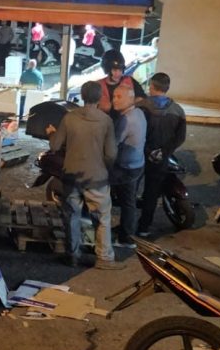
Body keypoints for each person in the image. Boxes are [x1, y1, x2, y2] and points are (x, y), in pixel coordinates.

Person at [48, 81, 122, 269]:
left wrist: (51, 134)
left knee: (72, 215)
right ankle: (104, 258)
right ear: (100, 98)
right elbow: (112, 153)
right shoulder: (106, 121)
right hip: (97, 178)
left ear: (81, 96)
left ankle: (72, 255)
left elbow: (55, 146)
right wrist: (105, 167)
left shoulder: (69, 118)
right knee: (102, 218)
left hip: (71, 176)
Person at [137, 72, 187, 236]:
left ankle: (126, 225)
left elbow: (135, 132)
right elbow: (180, 137)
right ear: (167, 88)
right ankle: (144, 227)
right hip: (161, 158)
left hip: (139, 155)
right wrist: (164, 152)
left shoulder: (142, 107)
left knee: (130, 189)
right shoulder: (178, 111)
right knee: (152, 192)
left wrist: (147, 150)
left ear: (152, 86)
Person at [111, 85, 146, 248]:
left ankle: (126, 238)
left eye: (119, 97)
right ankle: (126, 230)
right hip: (137, 163)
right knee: (128, 201)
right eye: (113, 96)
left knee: (125, 201)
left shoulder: (126, 120)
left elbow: (113, 145)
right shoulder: (138, 113)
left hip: (125, 167)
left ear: (130, 99)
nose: (114, 100)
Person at [97, 50, 145, 117]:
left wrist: (127, 104)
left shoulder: (130, 81)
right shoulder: (98, 86)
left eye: (120, 70)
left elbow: (142, 98)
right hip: (106, 123)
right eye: (115, 70)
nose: (118, 73)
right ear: (107, 70)